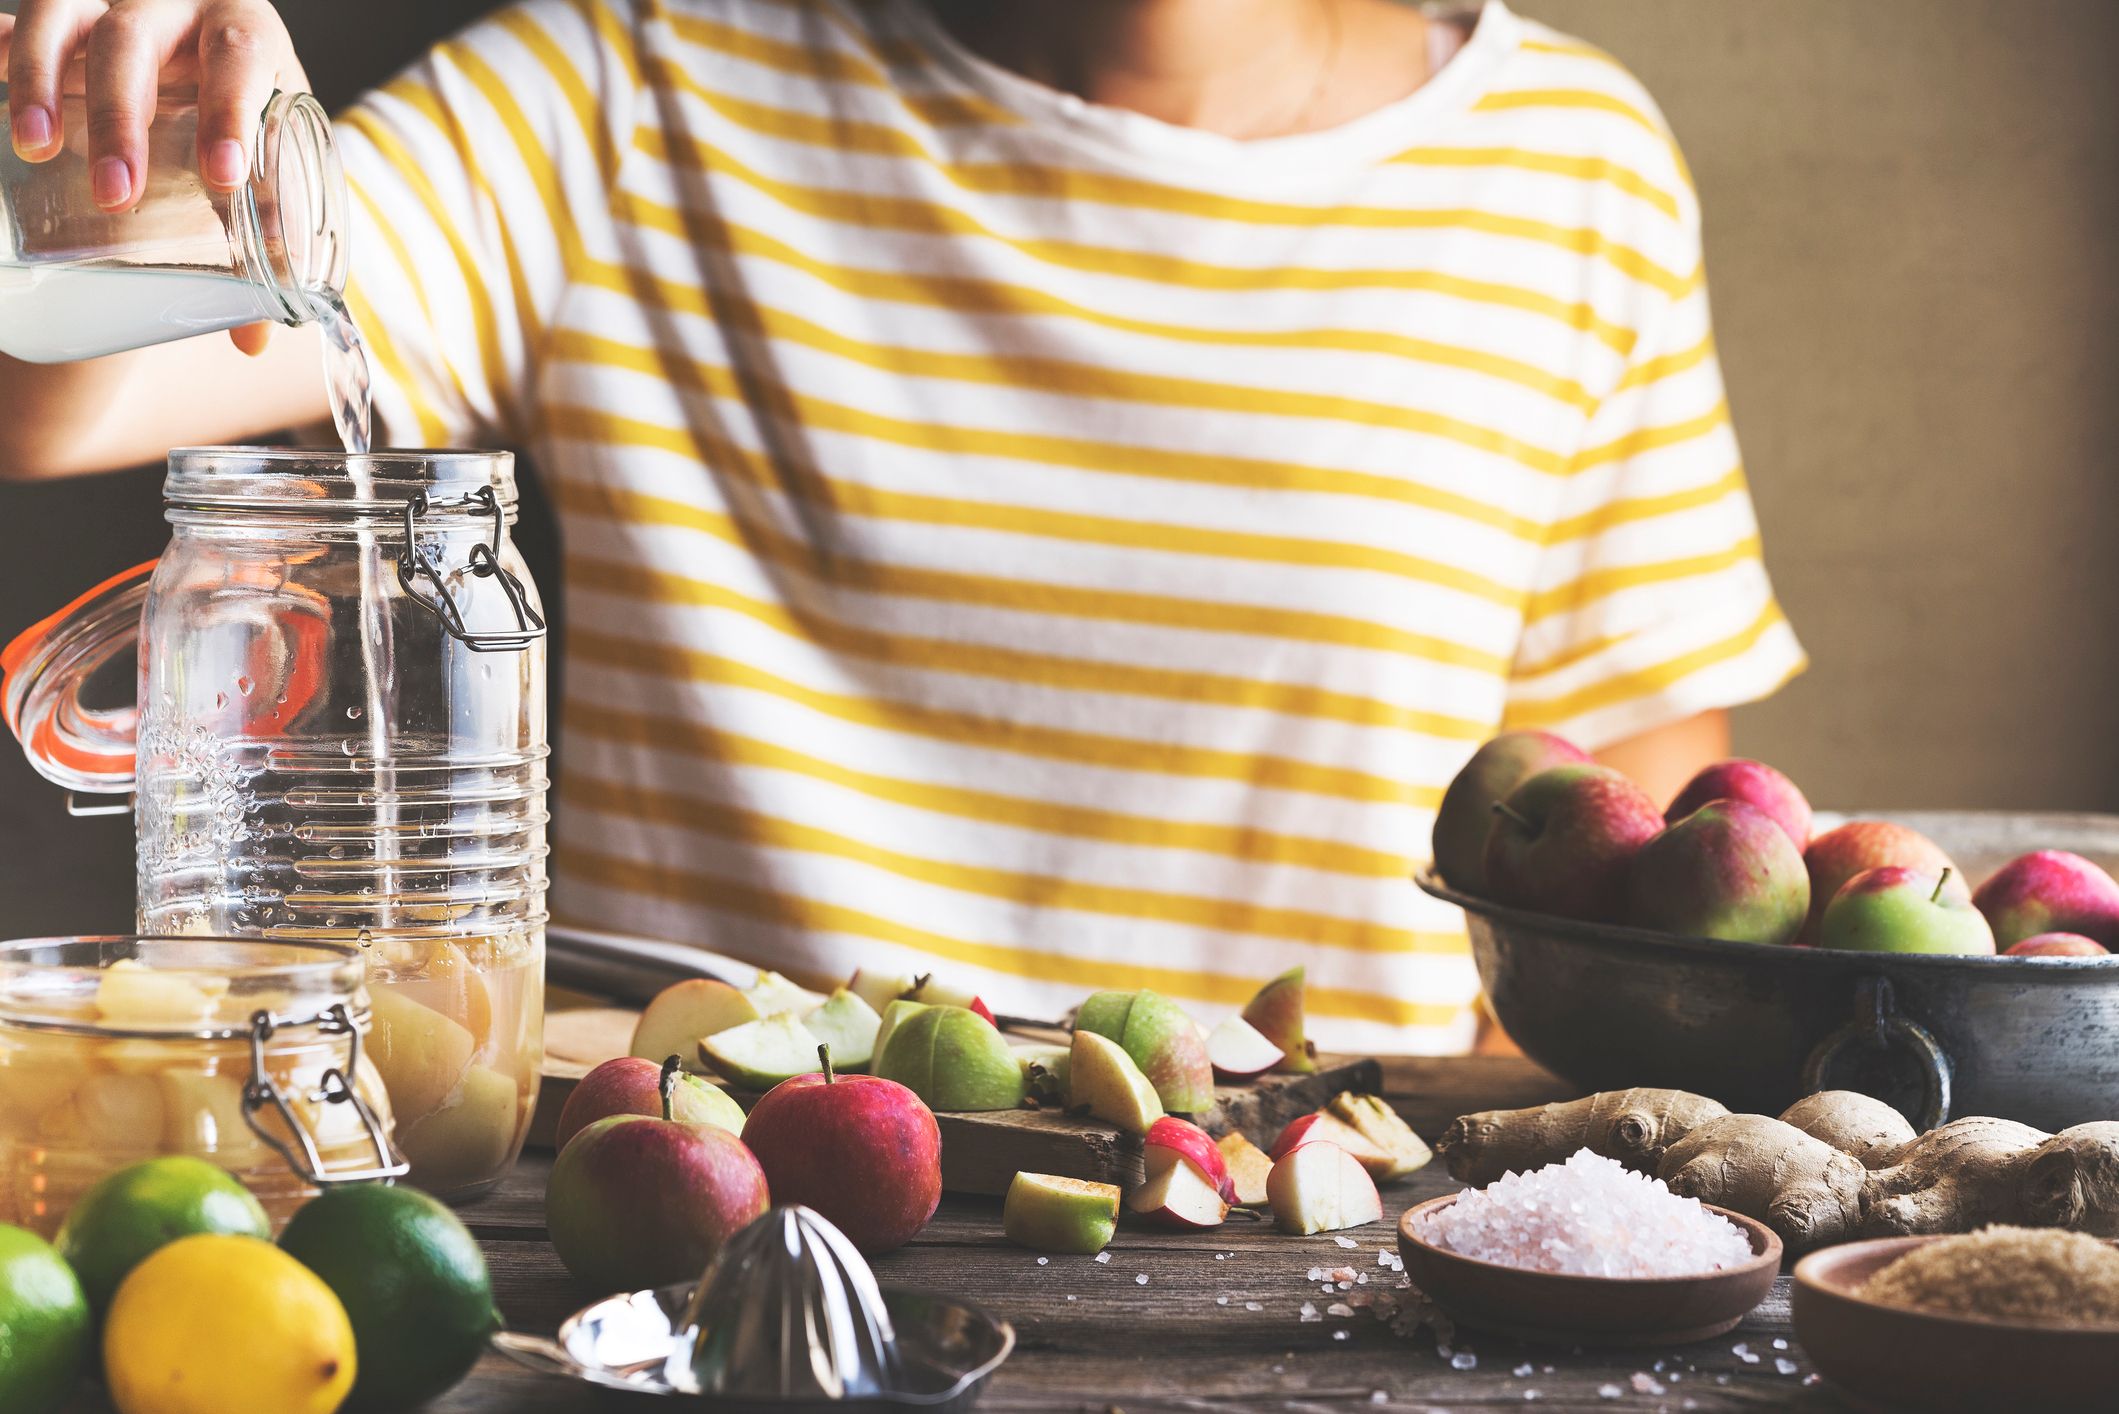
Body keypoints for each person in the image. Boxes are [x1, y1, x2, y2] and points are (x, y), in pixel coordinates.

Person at [0, 0, 1802, 1053]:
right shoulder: (629, 93)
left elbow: (1616, 915)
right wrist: (94, 140)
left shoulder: (1578, 169)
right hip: (670, 1259)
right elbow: (65, 388)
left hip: (1321, 1268)